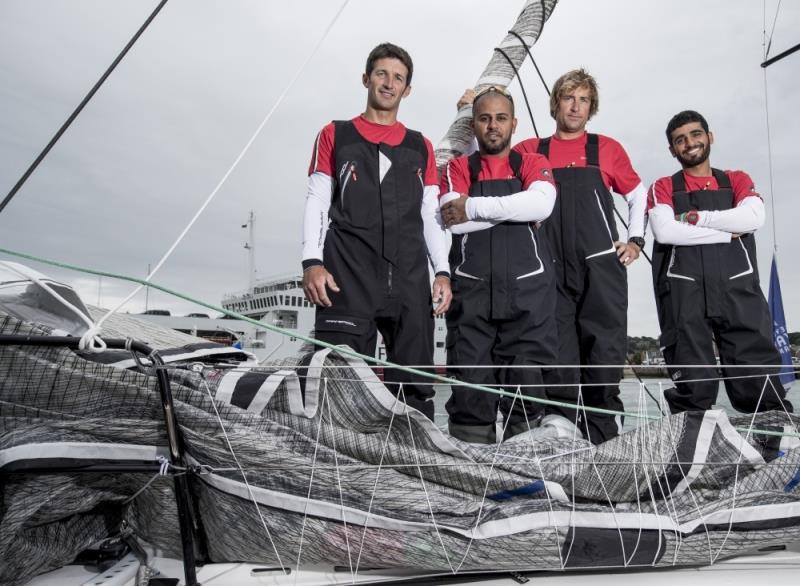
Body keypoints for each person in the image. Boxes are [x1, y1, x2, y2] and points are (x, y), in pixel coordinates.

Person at [301, 43, 451, 419]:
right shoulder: (335, 134)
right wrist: (311, 261)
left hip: (409, 280)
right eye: (382, 74)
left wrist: (443, 271)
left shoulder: (422, 146)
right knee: (340, 387)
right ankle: (341, 471)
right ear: (366, 78)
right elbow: (318, 200)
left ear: (407, 89)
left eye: (398, 77)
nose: (389, 83)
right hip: (347, 275)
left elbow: (431, 213)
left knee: (416, 389)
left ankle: (416, 469)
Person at [510, 69, 649, 444]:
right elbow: (489, 169)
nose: (576, 106)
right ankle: (563, 442)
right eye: (569, 98)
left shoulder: (607, 149)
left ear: (591, 108)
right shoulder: (528, 151)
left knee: (603, 354)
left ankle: (607, 441)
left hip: (601, 266)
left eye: (584, 100)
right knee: (556, 357)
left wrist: (635, 240)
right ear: (556, 103)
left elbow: (638, 195)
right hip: (547, 268)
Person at [648, 110, 792, 414]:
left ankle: (769, 453)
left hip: (738, 290)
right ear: (672, 150)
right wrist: (727, 233)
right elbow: (666, 230)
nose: (690, 143)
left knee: (759, 380)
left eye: (696, 134)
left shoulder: (737, 179)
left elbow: (753, 217)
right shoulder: (663, 187)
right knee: (693, 387)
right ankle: (691, 456)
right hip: (685, 295)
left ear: (709, 137)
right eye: (680, 140)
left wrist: (697, 219)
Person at [439, 86, 558, 443]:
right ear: (473, 124)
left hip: (529, 296)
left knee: (527, 389)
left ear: (514, 124)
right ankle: (472, 480)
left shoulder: (533, 163)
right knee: (471, 393)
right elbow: (452, 219)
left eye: (501, 118)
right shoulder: (458, 167)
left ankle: (525, 476)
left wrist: (474, 207)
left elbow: (541, 205)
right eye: (485, 118)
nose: (493, 126)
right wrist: (515, 209)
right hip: (471, 296)